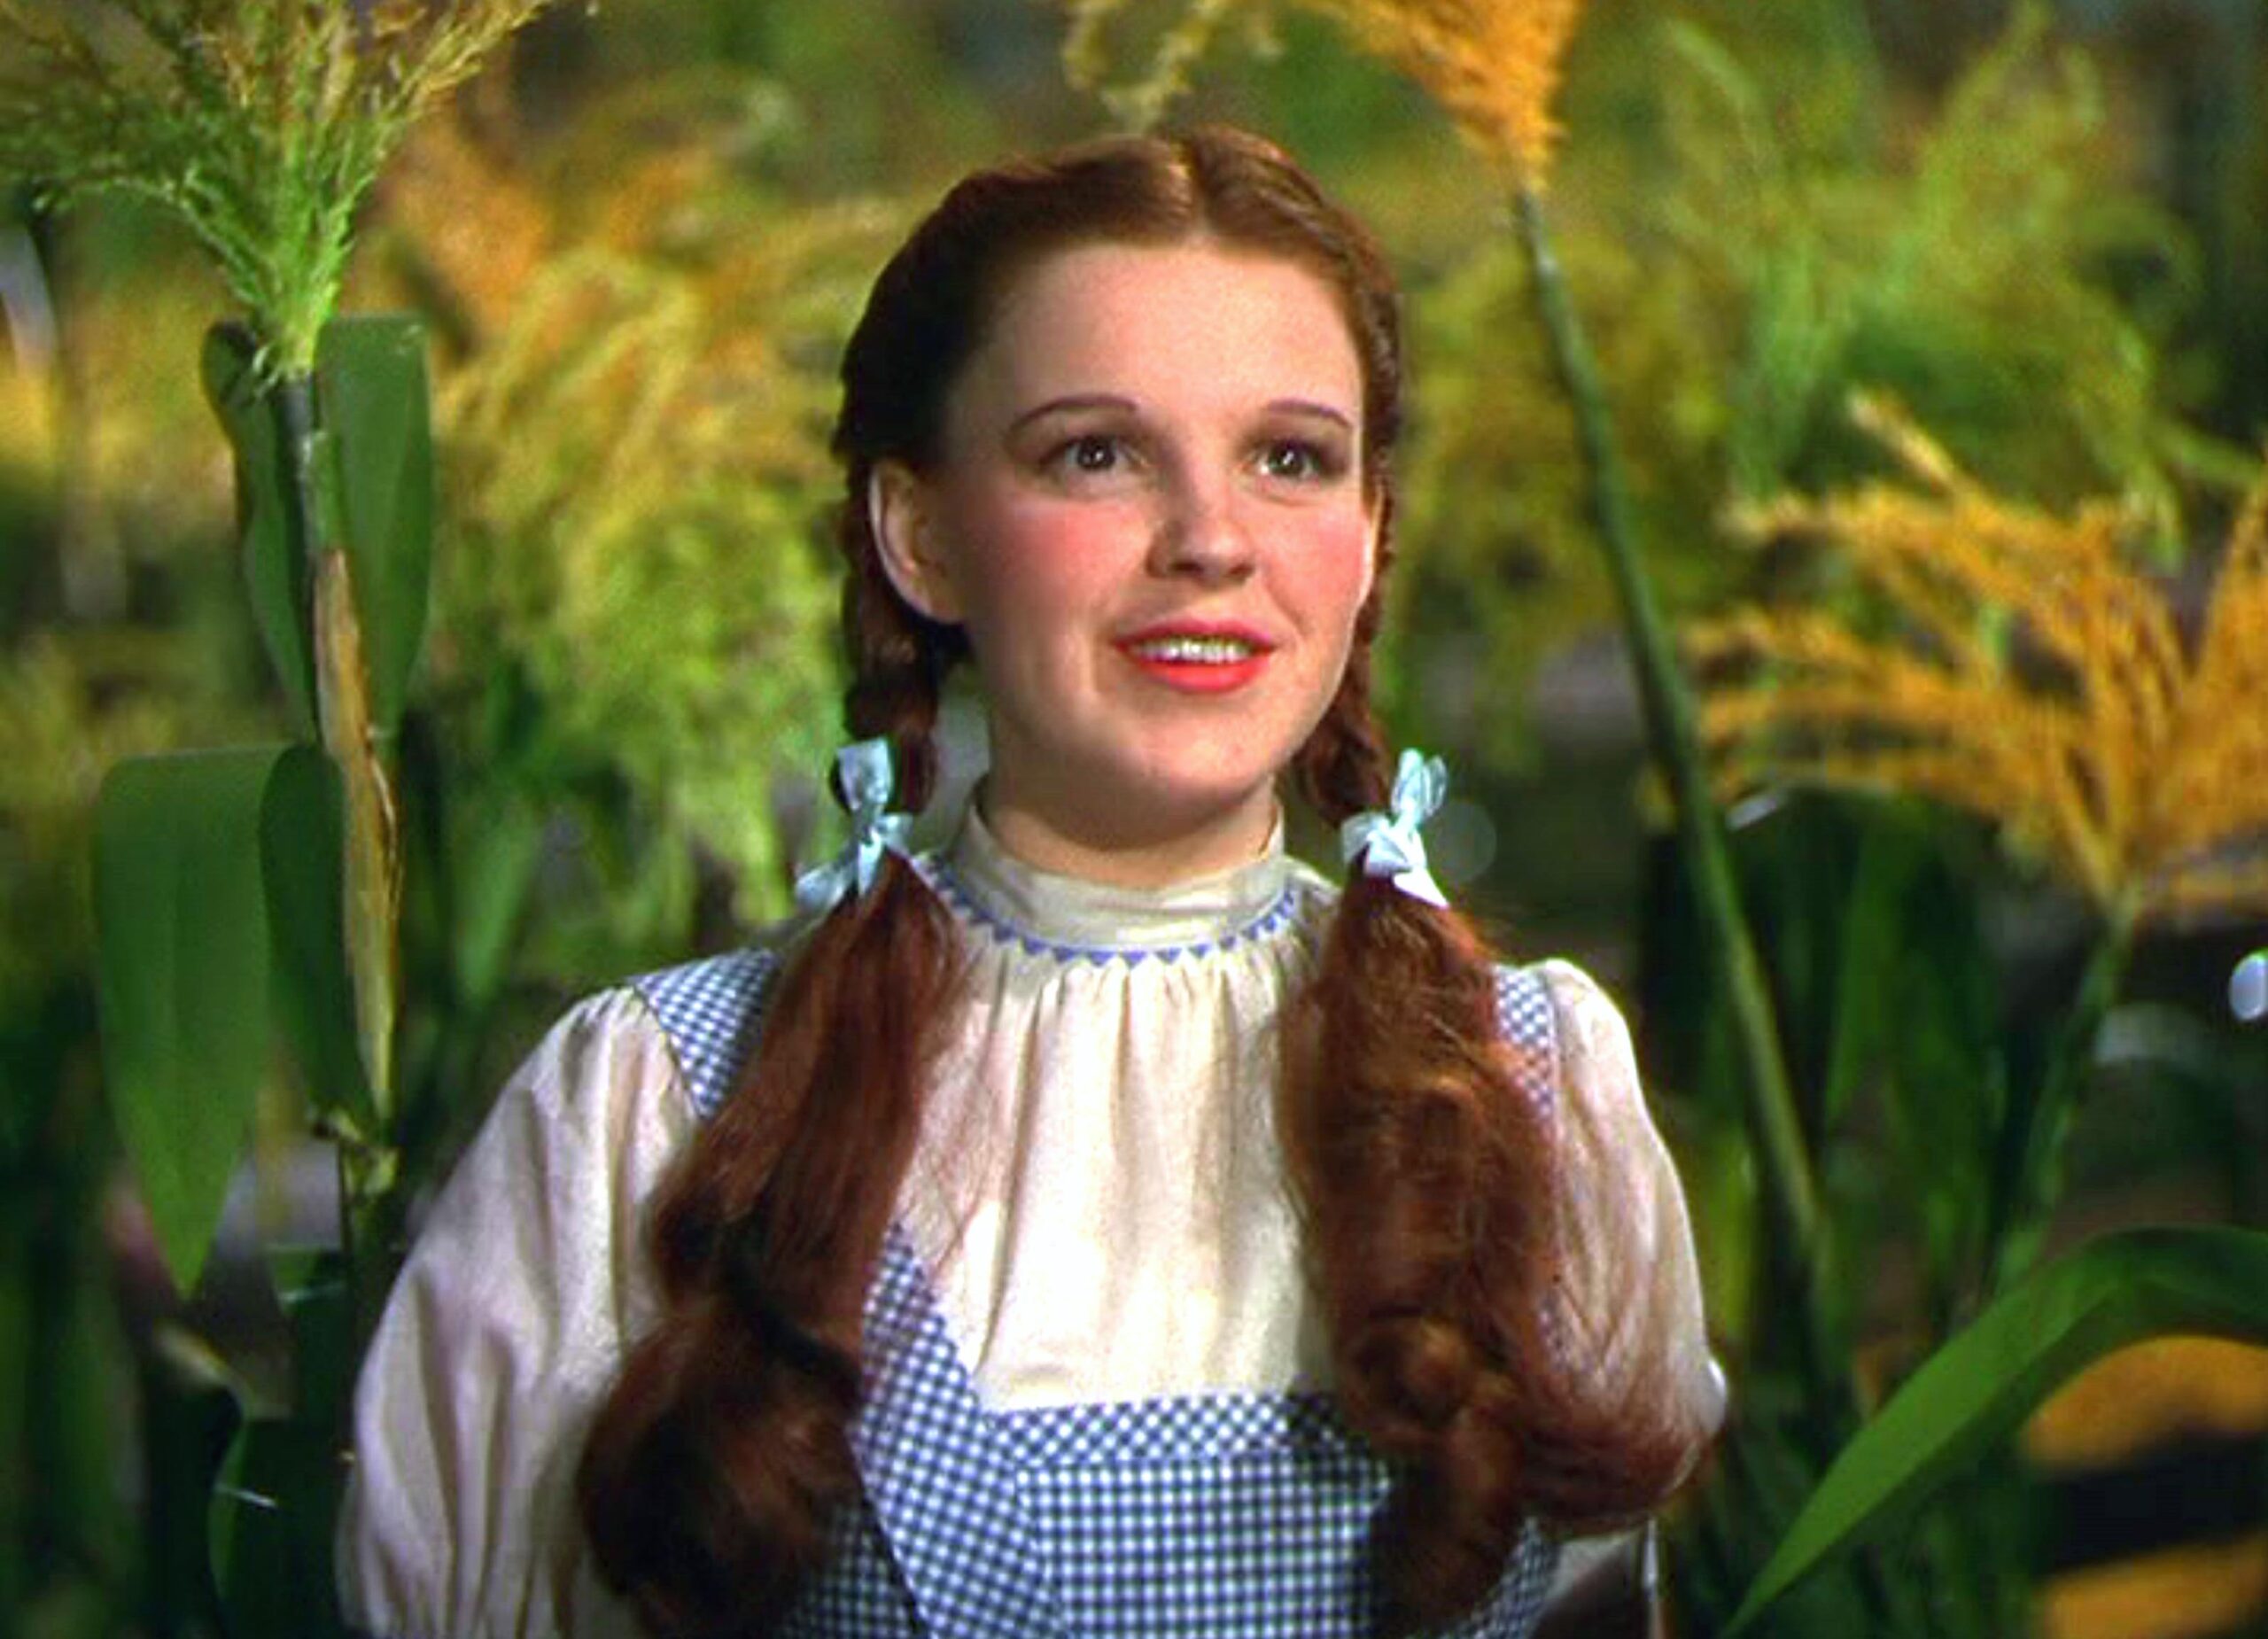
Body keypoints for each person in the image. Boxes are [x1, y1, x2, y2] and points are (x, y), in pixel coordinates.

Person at [337, 125, 1725, 1639]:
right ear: (922, 535)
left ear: (1371, 530)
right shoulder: (659, 1107)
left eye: (1290, 458)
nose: (1212, 542)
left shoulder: (1534, 1095)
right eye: (1096, 454)